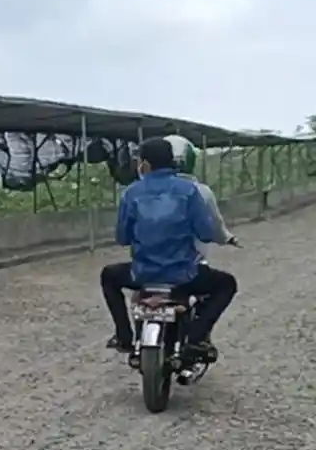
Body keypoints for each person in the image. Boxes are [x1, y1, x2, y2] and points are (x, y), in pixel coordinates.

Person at [101, 135, 238, 357]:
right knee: (227, 284)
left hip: (142, 274)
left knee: (109, 276)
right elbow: (205, 232)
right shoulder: (190, 190)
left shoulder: (131, 193)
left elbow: (122, 238)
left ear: (144, 164)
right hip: (184, 275)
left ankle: (124, 337)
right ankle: (196, 338)